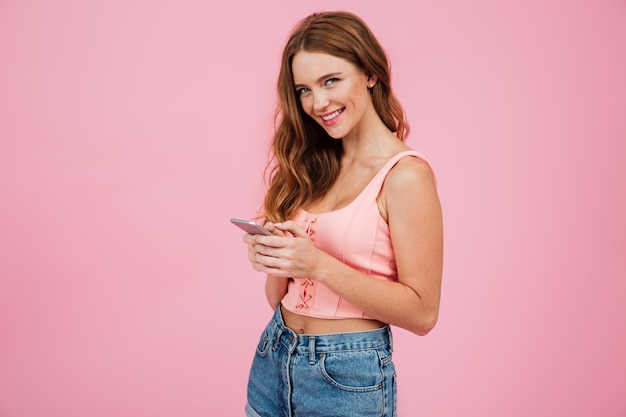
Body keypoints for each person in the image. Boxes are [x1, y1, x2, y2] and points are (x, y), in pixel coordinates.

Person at [241, 10, 443, 417]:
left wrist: (317, 264)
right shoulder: (311, 164)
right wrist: (276, 257)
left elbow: (423, 313)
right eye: (304, 90)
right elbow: (274, 298)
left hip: (348, 376)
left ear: (370, 73)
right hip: (273, 356)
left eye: (331, 80)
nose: (318, 103)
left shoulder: (406, 176)